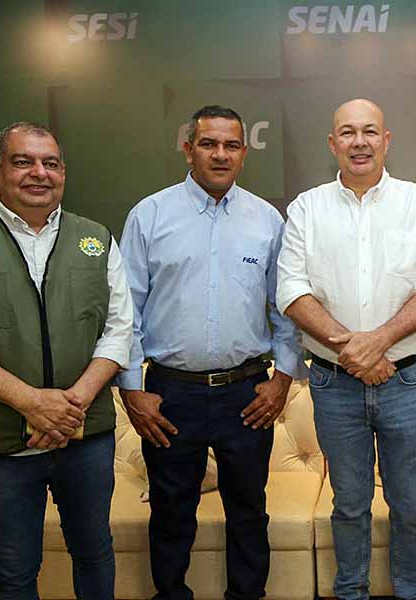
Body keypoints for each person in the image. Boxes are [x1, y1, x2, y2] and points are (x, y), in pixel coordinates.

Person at [0, 121, 133, 600]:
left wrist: (71, 406)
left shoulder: (96, 238)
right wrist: (33, 404)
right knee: (14, 572)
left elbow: (119, 330)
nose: (39, 173)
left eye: (50, 163)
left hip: (85, 437)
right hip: (0, 443)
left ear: (63, 173)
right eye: (23, 162)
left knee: (95, 553)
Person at [117, 105, 306, 600]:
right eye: (208, 143)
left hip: (247, 393)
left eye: (231, 145)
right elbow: (124, 312)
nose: (220, 154)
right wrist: (132, 391)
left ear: (244, 153)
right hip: (169, 394)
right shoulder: (149, 215)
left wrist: (282, 379)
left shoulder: (267, 220)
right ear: (188, 149)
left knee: (249, 511)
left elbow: (286, 307)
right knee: (170, 511)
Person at [276, 98, 416, 600]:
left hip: (406, 381)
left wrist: (377, 343)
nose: (360, 142)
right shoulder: (307, 208)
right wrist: (352, 350)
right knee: (349, 505)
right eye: (348, 132)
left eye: (370, 131)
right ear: (333, 143)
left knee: (410, 507)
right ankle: (351, 592)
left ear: (386, 140)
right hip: (334, 385)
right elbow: (291, 290)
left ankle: (412, 593)